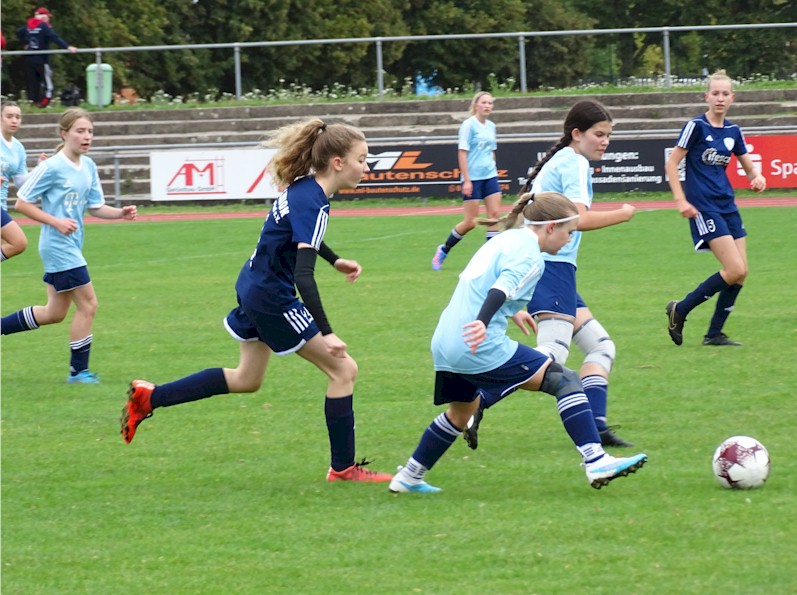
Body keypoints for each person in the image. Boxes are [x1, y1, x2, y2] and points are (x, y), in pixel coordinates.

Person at [119, 119, 393, 484]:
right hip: (271, 295)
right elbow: (302, 275)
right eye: (362, 158)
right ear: (339, 162)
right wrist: (326, 333)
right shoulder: (315, 202)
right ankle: (343, 469)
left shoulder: (304, 189)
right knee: (344, 370)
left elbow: (298, 236)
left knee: (246, 379)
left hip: (252, 284)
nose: (366, 166)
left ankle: (149, 398)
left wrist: (334, 259)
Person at [390, 191, 647, 494]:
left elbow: (482, 282)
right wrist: (483, 323)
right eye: (569, 233)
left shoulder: (504, 239)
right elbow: (499, 289)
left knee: (461, 413)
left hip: (445, 339)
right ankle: (596, 459)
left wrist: (514, 313)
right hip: (476, 341)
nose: (569, 241)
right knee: (564, 379)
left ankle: (409, 477)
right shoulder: (531, 256)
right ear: (551, 227)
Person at [465, 100, 637, 450]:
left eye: (608, 135)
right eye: (598, 134)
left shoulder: (563, 160)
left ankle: (597, 425)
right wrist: (623, 213)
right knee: (552, 358)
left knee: (601, 347)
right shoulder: (573, 162)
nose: (605, 141)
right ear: (577, 134)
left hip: (556, 270)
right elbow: (578, 220)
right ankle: (478, 400)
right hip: (552, 269)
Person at [0, 108, 137, 383]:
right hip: (59, 247)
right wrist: (56, 222)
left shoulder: (88, 166)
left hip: (71, 244)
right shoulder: (51, 166)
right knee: (89, 305)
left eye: (90, 132)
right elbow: (22, 203)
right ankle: (79, 372)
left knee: (54, 313)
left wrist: (119, 213)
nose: (86, 137)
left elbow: (95, 207)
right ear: (64, 134)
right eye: (80, 131)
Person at [664, 69, 766, 347]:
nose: (720, 98)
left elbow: (748, 168)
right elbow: (672, 163)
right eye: (715, 93)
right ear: (706, 96)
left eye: (725, 94)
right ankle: (681, 309)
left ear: (732, 98)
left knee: (741, 272)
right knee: (733, 269)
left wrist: (756, 178)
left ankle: (714, 334)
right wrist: (680, 200)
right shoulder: (695, 127)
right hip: (703, 207)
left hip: (727, 206)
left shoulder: (733, 131)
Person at [432, 91, 502, 270]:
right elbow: (462, 153)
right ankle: (444, 249)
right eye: (484, 102)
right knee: (471, 222)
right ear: (476, 105)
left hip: (490, 176)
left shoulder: (491, 126)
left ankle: (489, 261)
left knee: (494, 217)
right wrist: (467, 180)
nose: (487, 106)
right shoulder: (468, 126)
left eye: (490, 103)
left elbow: (491, 151)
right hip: (474, 178)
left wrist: (493, 168)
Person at [16, 7, 78, 108]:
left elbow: (18, 33)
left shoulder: (28, 25)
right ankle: (44, 103)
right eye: (47, 17)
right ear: (43, 17)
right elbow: (55, 38)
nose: (49, 19)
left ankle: (33, 103)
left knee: (33, 83)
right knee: (48, 83)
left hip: (29, 59)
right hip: (42, 60)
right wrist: (67, 46)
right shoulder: (44, 26)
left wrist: (26, 43)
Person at [1, 101, 30, 261]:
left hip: (2, 205)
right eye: (9, 116)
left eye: (17, 117)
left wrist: (39, 172)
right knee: (19, 242)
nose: (14, 120)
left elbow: (21, 182)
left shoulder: (18, 148)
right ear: (0, 118)